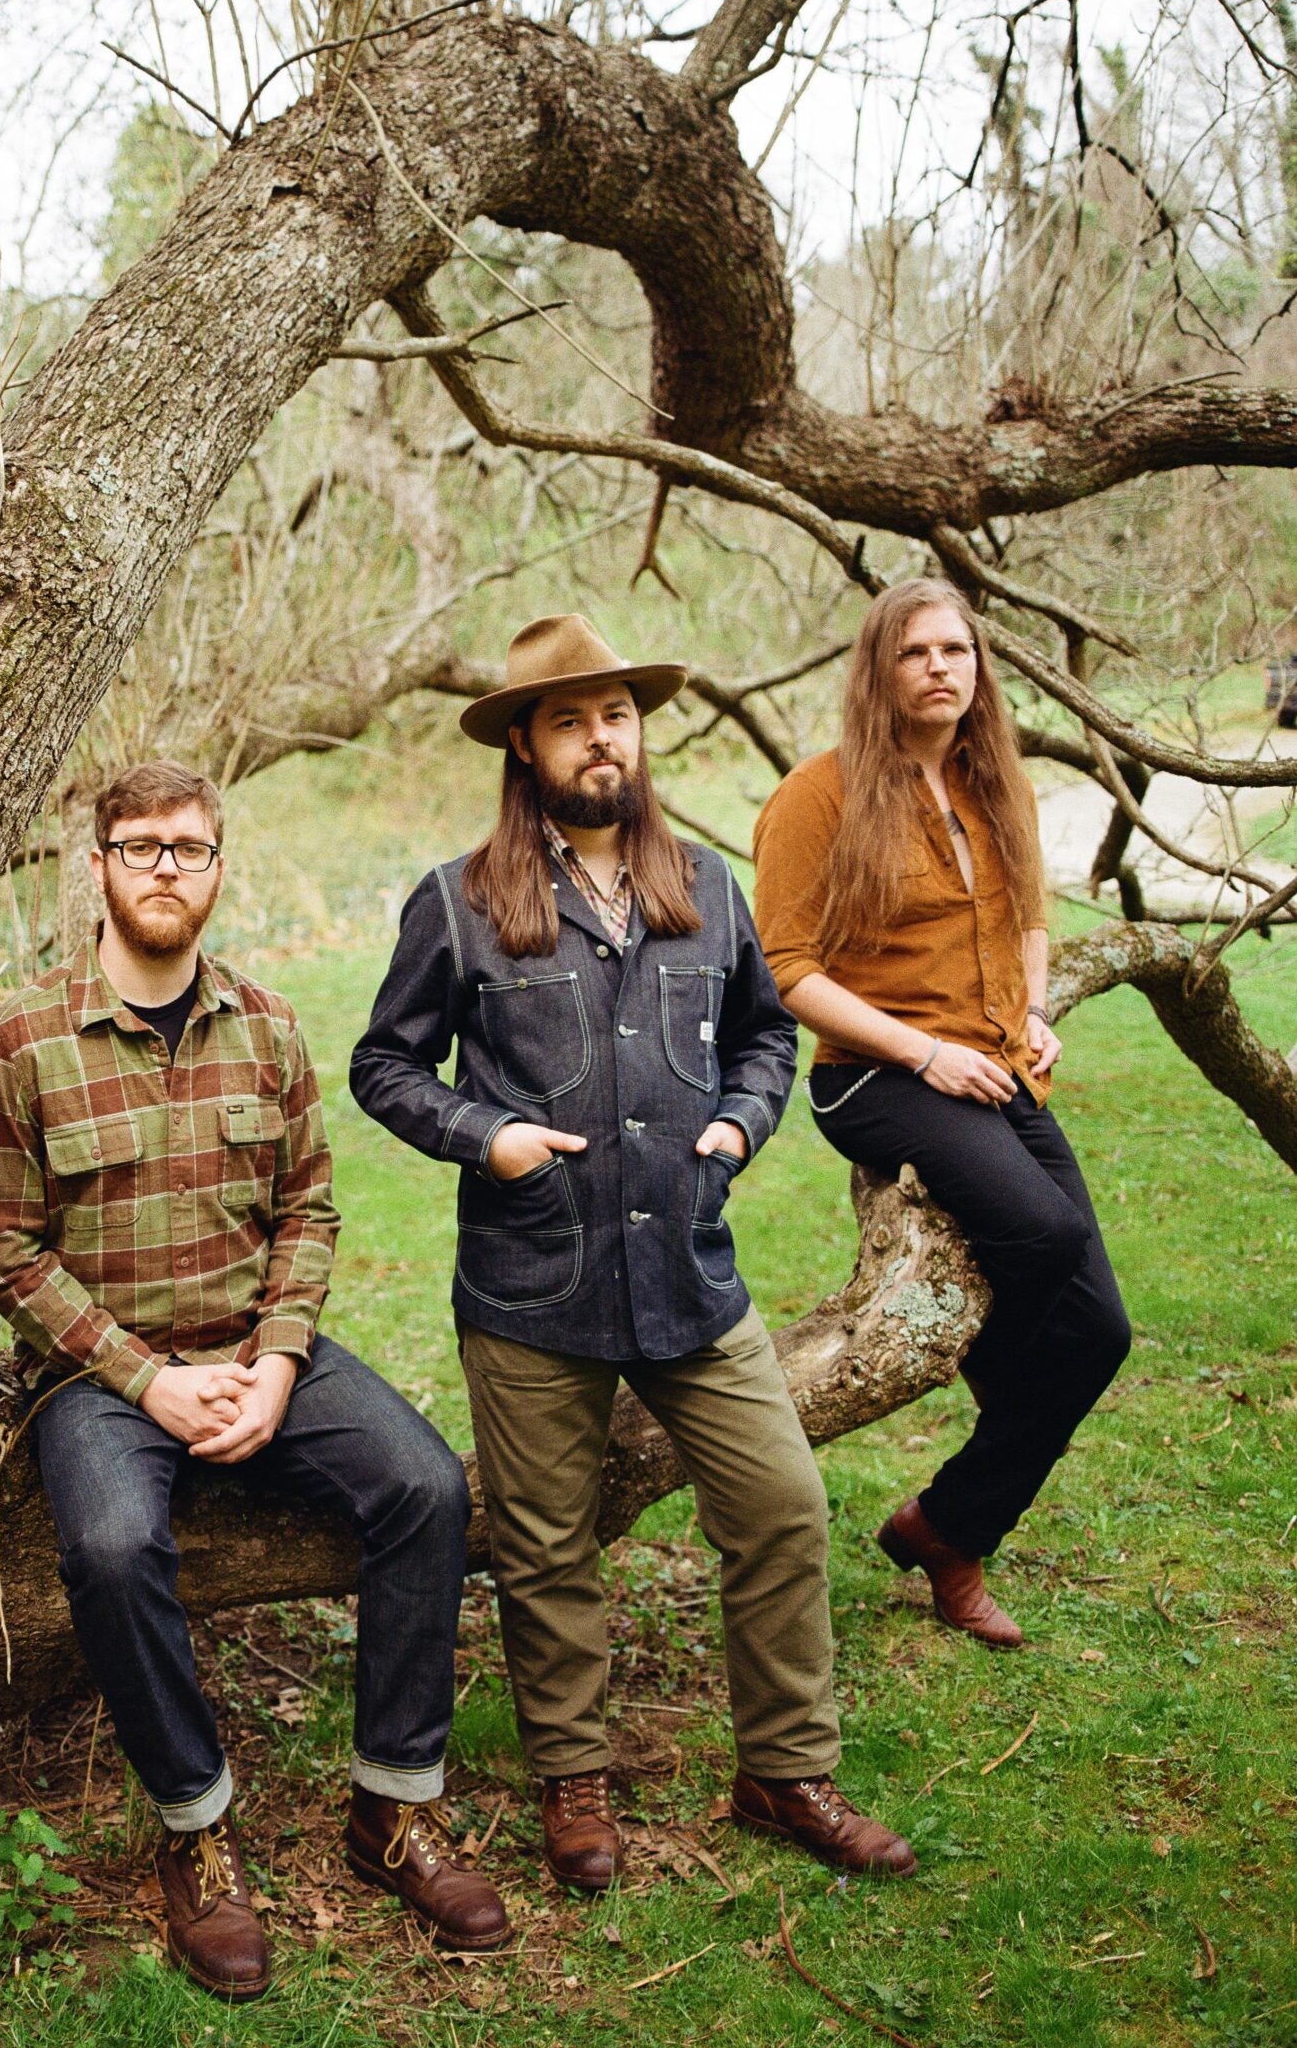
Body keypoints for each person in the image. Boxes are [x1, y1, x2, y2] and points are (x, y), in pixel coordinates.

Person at [351, 615, 917, 1892]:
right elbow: (383, 1064)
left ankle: (783, 1770)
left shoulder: (706, 885)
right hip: (529, 1280)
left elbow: (769, 1037)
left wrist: (738, 1119)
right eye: (566, 718)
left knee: (779, 1507)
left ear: (638, 730)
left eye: (614, 712)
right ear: (524, 747)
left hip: (689, 1273)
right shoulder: (458, 900)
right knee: (548, 1548)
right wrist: (482, 1132)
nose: (597, 736)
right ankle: (574, 1783)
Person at [0, 761, 508, 2002]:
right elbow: (4, 1248)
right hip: (97, 1376)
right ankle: (196, 1828)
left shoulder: (266, 1026)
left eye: (190, 848)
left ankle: (395, 1811)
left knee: (425, 1485)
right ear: (93, 866)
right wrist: (147, 1383)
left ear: (217, 866)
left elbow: (308, 1206)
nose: (166, 867)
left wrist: (275, 1359)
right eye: (141, 845)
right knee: (107, 1546)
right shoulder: (20, 1040)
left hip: (259, 1346)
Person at [753, 578, 1130, 1650]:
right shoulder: (816, 796)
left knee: (1100, 1333)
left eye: (955, 649)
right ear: (879, 669)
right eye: (914, 650)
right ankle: (1007, 1427)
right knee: (1044, 1238)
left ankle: (946, 1527)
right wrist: (926, 1050)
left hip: (996, 1064)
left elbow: (1025, 921)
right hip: (874, 1075)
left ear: (978, 669)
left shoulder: (990, 782)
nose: (938, 666)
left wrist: (1035, 1010)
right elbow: (788, 970)